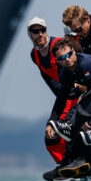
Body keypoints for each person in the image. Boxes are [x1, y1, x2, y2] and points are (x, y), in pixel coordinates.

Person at [44, 38, 91, 180]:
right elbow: (61, 100)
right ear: (58, 61)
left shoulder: (85, 63)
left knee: (84, 122)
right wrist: (51, 122)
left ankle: (85, 163)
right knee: (68, 119)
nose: (67, 59)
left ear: (74, 51)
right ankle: (66, 165)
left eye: (69, 54)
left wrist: (90, 117)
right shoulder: (66, 73)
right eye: (62, 58)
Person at [27, 16, 78, 163]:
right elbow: (47, 77)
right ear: (30, 34)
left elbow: (74, 60)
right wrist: (60, 96)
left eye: (42, 30)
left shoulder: (57, 45)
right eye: (35, 31)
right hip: (64, 95)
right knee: (50, 135)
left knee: (64, 128)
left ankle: (76, 160)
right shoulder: (34, 55)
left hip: (76, 90)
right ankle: (65, 165)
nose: (40, 34)